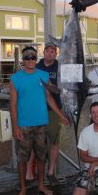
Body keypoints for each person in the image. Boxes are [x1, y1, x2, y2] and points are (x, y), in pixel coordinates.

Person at [10, 46, 69, 195]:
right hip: (23, 125)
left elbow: (49, 98)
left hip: (41, 124)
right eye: (27, 57)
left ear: (37, 59)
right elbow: (13, 105)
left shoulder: (43, 75)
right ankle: (23, 189)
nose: (30, 60)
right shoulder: (15, 78)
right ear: (23, 60)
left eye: (33, 57)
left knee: (42, 157)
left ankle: (41, 185)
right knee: (23, 159)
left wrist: (61, 115)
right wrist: (15, 127)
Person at [36, 42, 62, 184]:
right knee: (37, 143)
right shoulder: (36, 66)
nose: (50, 53)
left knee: (54, 142)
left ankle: (51, 172)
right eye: (47, 50)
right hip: (37, 110)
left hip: (55, 109)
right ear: (43, 52)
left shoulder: (60, 67)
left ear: (56, 54)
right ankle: (32, 173)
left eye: (53, 51)